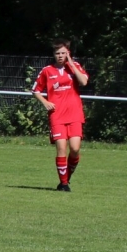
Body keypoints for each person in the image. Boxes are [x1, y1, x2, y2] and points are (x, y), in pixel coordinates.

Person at [33, 40, 90, 190]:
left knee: (75, 149)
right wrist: (45, 102)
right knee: (62, 148)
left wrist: (71, 64)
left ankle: (66, 179)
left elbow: (84, 82)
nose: (60, 56)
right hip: (57, 115)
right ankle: (64, 184)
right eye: (57, 53)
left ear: (68, 53)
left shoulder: (74, 66)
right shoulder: (47, 70)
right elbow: (35, 90)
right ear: (54, 54)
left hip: (75, 114)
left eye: (63, 53)